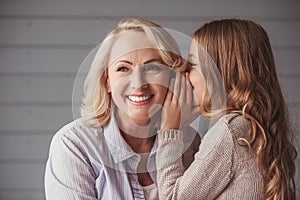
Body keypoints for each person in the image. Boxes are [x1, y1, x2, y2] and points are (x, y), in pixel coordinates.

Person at [44, 17, 200, 200]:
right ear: (107, 82)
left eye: (152, 68)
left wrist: (172, 133)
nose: (139, 84)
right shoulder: (75, 144)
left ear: (173, 77)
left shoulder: (191, 143)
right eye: (123, 69)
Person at [156, 19, 297, 199]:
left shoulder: (230, 130)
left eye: (192, 64)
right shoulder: (251, 125)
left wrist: (170, 130)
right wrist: (184, 130)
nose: (185, 73)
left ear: (218, 70)